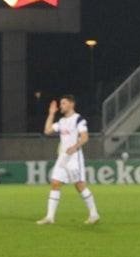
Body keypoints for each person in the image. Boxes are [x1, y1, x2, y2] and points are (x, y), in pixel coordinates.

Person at [36, 95, 99, 225]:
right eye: (61, 103)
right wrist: (51, 114)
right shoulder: (62, 122)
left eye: (63, 103)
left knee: (79, 186)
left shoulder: (79, 119)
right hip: (63, 157)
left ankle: (94, 214)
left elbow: (85, 137)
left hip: (74, 158)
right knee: (55, 183)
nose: (61, 106)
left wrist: (75, 147)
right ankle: (50, 217)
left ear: (71, 104)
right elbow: (47, 131)